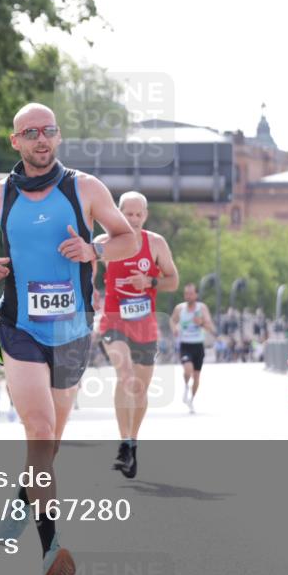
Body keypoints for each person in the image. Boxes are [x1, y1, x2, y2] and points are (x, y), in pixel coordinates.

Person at [0, 102, 138, 575]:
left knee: (49, 443)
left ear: (57, 138)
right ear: (14, 141)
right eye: (30, 132)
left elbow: (127, 239)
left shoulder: (85, 189)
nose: (41, 139)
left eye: (49, 131)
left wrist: (94, 248)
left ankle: (24, 497)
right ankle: (50, 551)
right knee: (37, 428)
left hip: (73, 330)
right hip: (20, 327)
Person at [92, 191, 179, 479]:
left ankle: (132, 443)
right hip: (113, 320)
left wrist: (150, 281)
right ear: (118, 213)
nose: (133, 219)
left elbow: (173, 281)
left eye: (138, 214)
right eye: (127, 213)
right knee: (125, 375)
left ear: (146, 215)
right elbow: (84, 268)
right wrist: (89, 291)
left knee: (139, 388)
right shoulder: (105, 243)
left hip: (144, 323)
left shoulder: (155, 243)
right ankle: (123, 441)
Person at [170, 283, 217, 413]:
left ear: (196, 295)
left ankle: (191, 399)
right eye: (186, 293)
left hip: (198, 345)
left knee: (196, 376)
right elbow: (172, 320)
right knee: (188, 369)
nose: (188, 296)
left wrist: (201, 322)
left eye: (191, 293)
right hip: (185, 344)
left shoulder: (202, 308)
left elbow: (211, 328)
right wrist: (174, 329)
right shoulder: (180, 308)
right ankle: (185, 386)